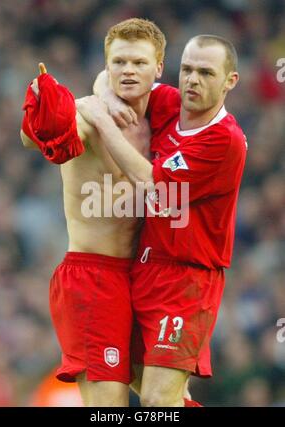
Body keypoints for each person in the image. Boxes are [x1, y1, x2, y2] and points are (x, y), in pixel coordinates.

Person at [76, 34, 247, 407]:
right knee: (134, 384)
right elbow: (113, 77)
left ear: (229, 81)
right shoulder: (170, 102)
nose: (192, 81)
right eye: (186, 70)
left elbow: (153, 182)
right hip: (142, 270)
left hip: (187, 281)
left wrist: (101, 120)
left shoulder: (223, 140)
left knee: (156, 403)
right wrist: (105, 98)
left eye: (205, 72)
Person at [20, 18, 165, 407]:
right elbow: (37, 135)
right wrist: (42, 107)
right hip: (92, 277)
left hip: (143, 280)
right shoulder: (87, 116)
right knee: (108, 408)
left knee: (166, 397)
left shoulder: (164, 118)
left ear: (159, 68)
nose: (128, 70)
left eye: (138, 62)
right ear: (106, 65)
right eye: (118, 62)